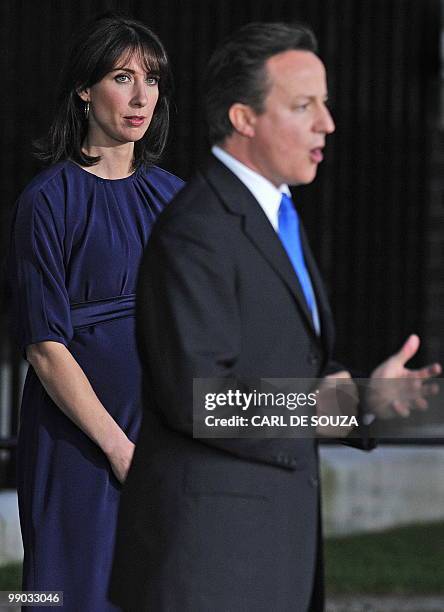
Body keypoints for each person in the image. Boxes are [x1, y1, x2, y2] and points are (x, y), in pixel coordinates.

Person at [110, 22, 441, 612]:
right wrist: (342, 401)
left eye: (326, 104)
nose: (327, 123)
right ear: (243, 118)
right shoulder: (197, 231)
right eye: (303, 106)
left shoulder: (276, 215)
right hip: (210, 571)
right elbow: (203, 400)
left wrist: (366, 397)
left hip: (267, 561)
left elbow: (289, 362)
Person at [7, 12, 183, 612]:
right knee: (67, 595)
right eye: (122, 77)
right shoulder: (46, 201)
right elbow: (44, 347)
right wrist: (117, 447)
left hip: (161, 438)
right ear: (84, 89)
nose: (142, 97)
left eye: (152, 80)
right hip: (78, 443)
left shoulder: (175, 198)